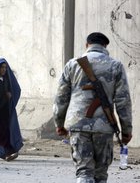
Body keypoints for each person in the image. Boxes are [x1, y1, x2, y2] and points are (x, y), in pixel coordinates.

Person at [53, 32, 133, 183]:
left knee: (83, 172)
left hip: (78, 125)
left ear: (86, 45)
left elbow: (61, 98)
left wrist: (59, 124)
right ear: (105, 46)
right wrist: (126, 130)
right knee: (100, 175)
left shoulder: (72, 65)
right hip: (104, 126)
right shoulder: (115, 65)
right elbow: (123, 102)